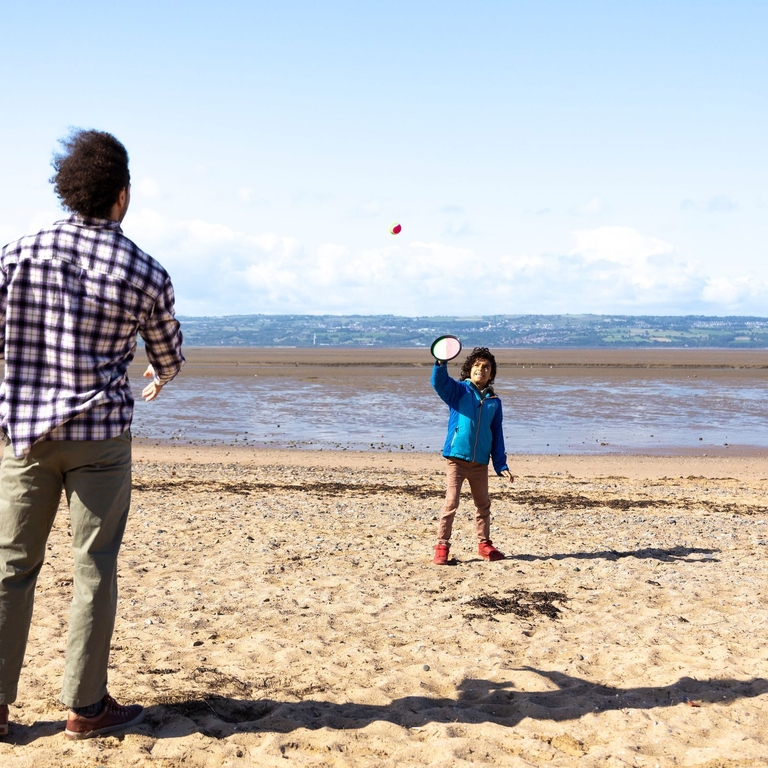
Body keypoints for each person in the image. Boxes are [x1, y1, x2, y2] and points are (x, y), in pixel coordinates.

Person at [0, 129, 185, 740]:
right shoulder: (143, 268)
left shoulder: (17, 252)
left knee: (10, 568)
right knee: (94, 566)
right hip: (100, 436)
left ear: (68, 188)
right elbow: (168, 352)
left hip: (24, 433)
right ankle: (84, 706)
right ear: (121, 194)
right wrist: (159, 370)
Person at [431, 347, 513, 565]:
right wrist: (440, 363)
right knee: (451, 502)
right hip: (456, 459)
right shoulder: (458, 392)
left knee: (483, 505)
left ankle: (484, 545)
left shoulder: (494, 401)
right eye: (477, 365)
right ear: (469, 370)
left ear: (491, 373)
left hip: (479, 464)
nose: (481, 370)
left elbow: (497, 434)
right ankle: (442, 546)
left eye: (486, 367)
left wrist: (501, 465)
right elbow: (439, 384)